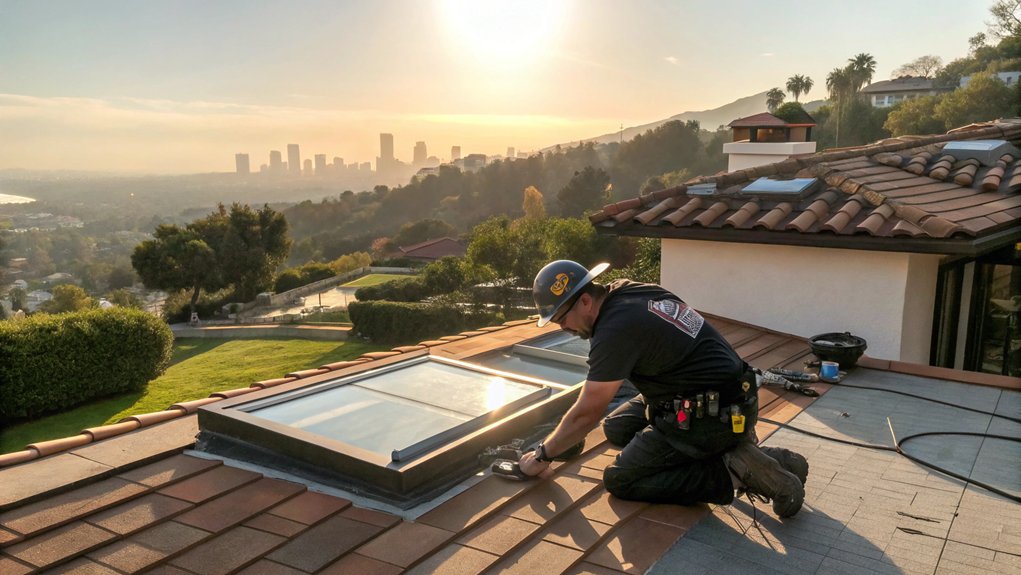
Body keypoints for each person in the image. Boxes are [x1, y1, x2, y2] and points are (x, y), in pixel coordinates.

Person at [516, 260, 808, 517]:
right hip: (728, 392)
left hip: (710, 414)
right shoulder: (627, 290)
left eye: (562, 320)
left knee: (620, 480)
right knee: (616, 428)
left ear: (584, 302)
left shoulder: (615, 330)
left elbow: (587, 412)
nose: (563, 329)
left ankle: (734, 470)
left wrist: (543, 455)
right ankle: (744, 451)